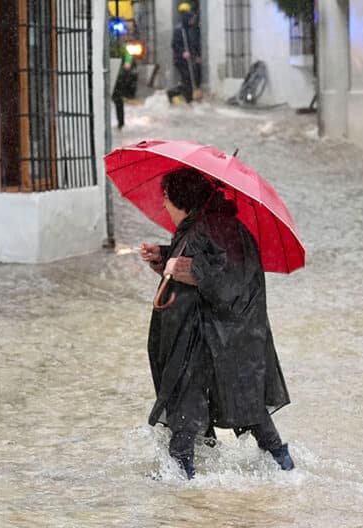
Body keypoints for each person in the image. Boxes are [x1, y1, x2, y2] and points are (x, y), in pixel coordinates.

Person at [140, 168, 294, 479]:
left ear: (181, 198)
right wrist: (166, 256)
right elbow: (208, 261)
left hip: (214, 338)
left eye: (166, 197)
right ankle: (284, 468)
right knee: (244, 406)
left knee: (190, 408)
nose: (164, 204)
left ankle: (182, 489)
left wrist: (188, 269)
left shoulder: (209, 228)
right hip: (224, 337)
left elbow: (226, 277)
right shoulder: (208, 225)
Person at [167, 2, 202, 104]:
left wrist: (196, 56)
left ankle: (188, 101)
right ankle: (173, 93)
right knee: (187, 80)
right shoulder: (179, 30)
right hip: (180, 59)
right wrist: (183, 52)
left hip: (188, 59)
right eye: (191, 19)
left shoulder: (189, 30)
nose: (192, 21)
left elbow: (192, 45)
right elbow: (174, 44)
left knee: (189, 80)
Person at [111, 36, 138, 130]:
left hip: (117, 76)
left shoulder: (119, 46)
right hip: (111, 75)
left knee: (118, 99)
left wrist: (127, 63)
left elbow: (128, 55)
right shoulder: (112, 44)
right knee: (117, 99)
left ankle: (120, 123)